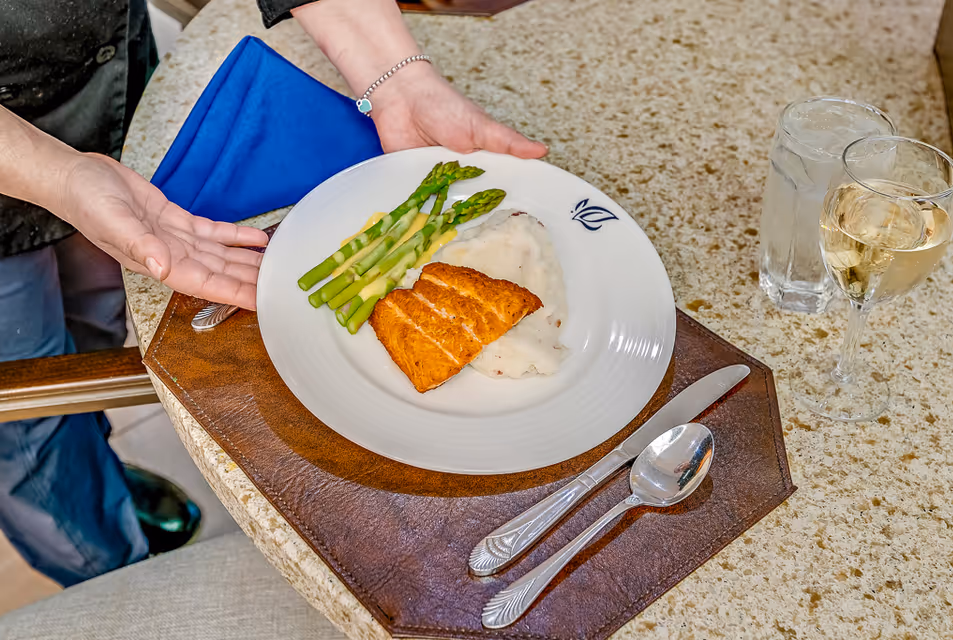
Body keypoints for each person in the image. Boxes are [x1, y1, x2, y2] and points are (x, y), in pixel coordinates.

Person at [0, 0, 546, 587]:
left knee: (97, 325)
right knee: (29, 411)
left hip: (105, 92)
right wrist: (60, 177)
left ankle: (99, 468)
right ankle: (103, 557)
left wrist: (399, 78)